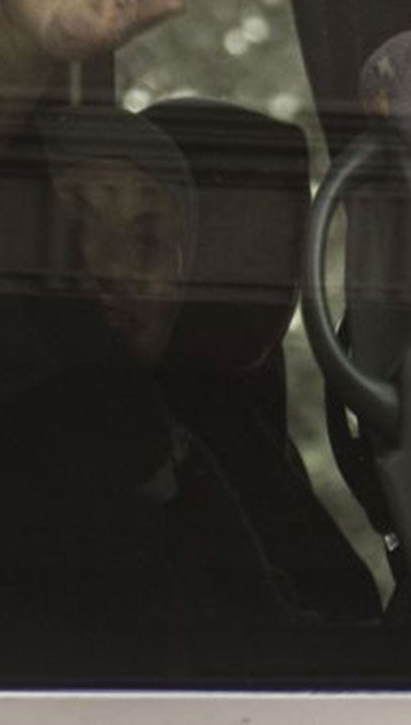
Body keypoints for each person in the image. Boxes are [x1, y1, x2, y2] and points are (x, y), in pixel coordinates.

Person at [44, 102, 382, 623]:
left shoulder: (232, 431)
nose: (262, 277)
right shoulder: (97, 451)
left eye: (285, 244)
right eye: (237, 236)